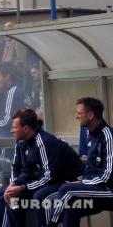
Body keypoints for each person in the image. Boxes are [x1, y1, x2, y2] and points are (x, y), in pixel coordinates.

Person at [0, 109, 85, 227]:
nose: (11, 130)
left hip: (67, 181)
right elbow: (21, 168)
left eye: (14, 127)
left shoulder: (44, 142)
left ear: (26, 129)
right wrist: (14, 184)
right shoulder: (21, 142)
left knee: (15, 200)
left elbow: (49, 176)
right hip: (45, 180)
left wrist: (22, 187)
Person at [50, 97, 113, 227]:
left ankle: (51, 224)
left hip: (109, 189)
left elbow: (108, 174)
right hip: (97, 187)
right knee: (69, 208)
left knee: (66, 189)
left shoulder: (108, 136)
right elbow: (91, 169)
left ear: (90, 115)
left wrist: (84, 182)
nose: (76, 117)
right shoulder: (90, 134)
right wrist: (82, 181)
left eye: (79, 113)